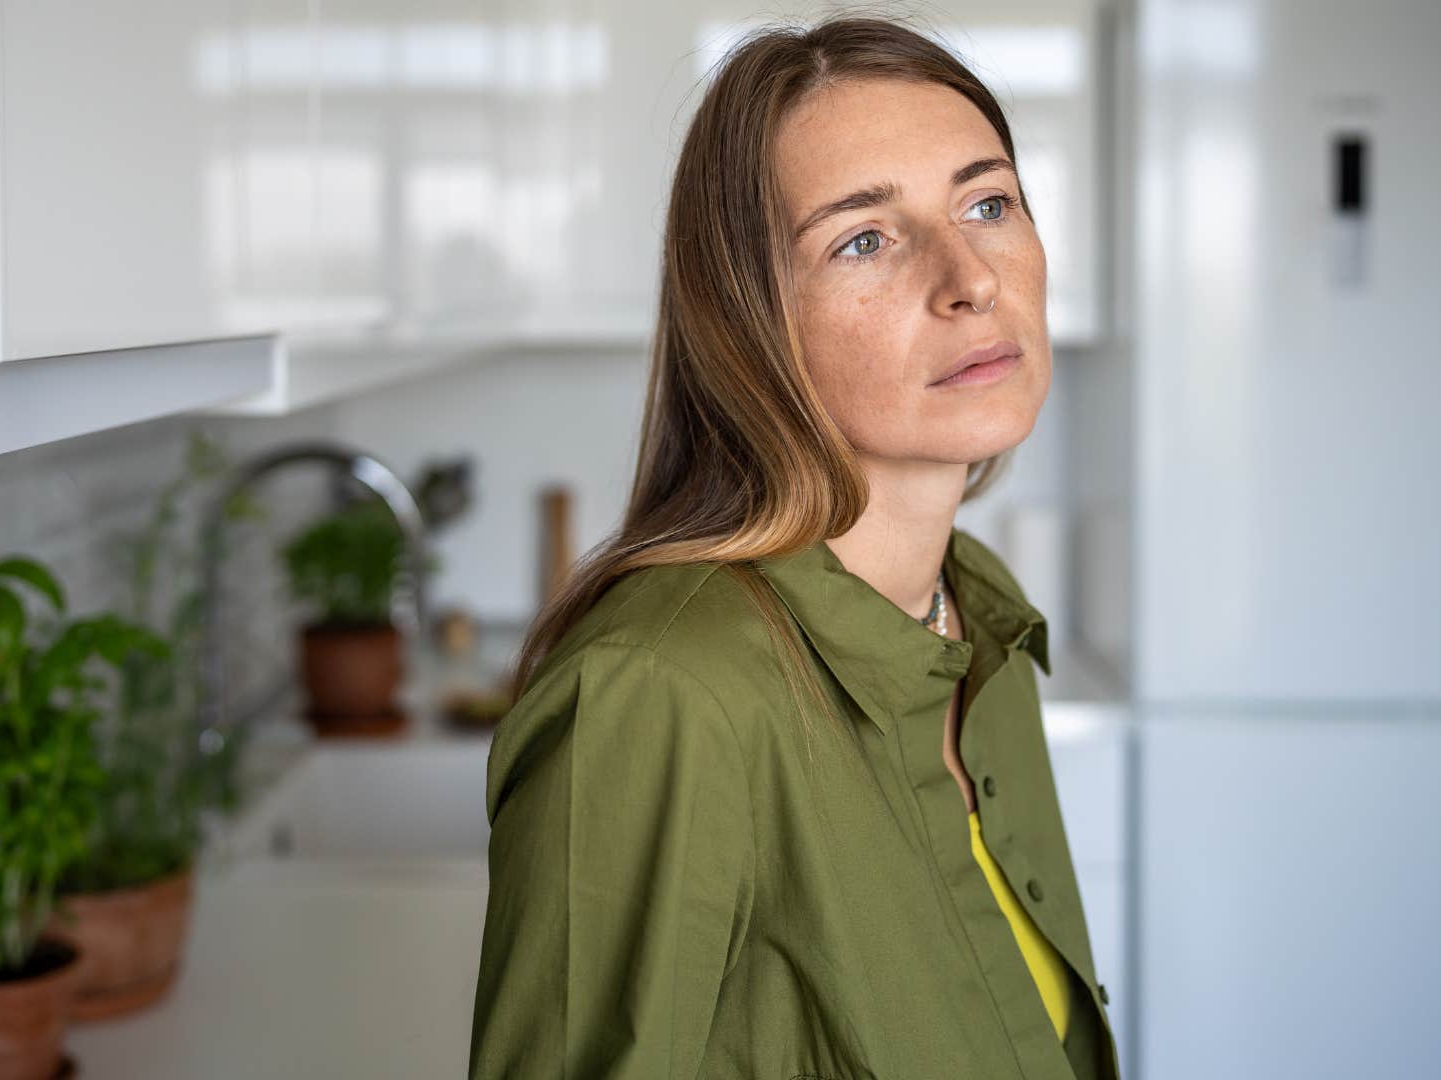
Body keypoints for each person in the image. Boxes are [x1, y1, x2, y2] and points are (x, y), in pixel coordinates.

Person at [468, 14, 1120, 1080]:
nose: (969, 278)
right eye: (864, 238)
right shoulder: (661, 695)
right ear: (747, 323)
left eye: (988, 203)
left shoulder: (977, 607)